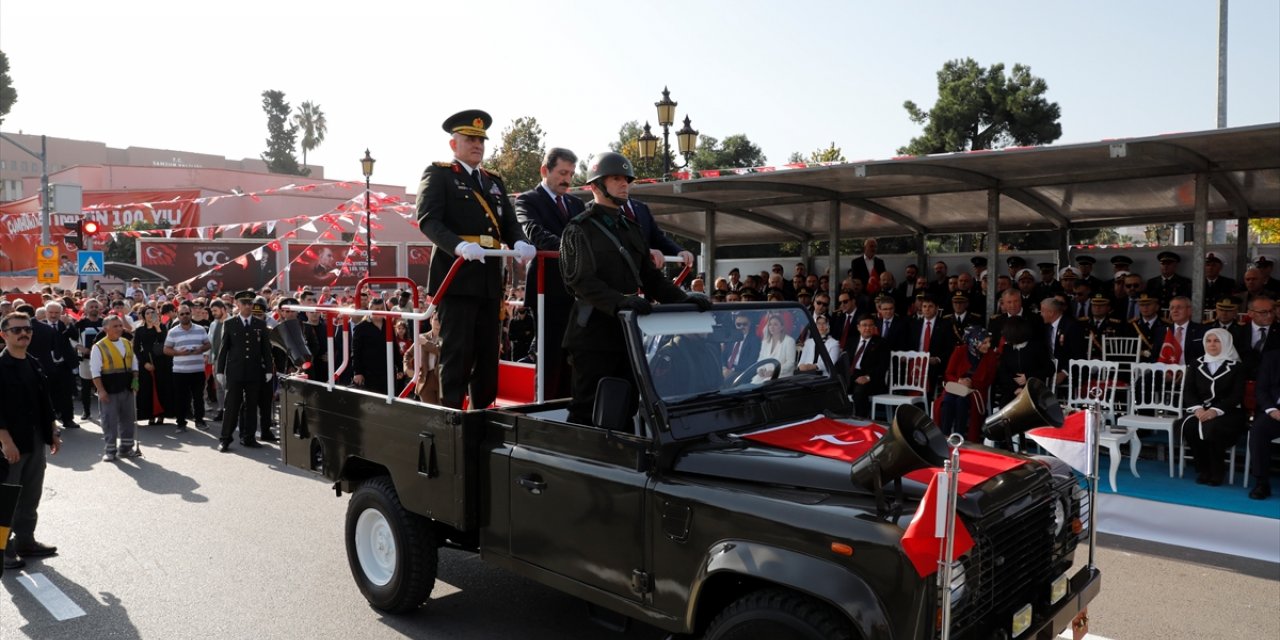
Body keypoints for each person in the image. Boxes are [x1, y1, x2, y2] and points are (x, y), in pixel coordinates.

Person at [559, 151, 705, 425]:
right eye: (616, 179)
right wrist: (620, 302)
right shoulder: (578, 229)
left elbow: (651, 279)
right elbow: (579, 280)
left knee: (624, 407)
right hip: (592, 335)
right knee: (587, 409)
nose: (624, 184)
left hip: (627, 332)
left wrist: (687, 301)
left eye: (626, 179)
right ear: (595, 186)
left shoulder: (631, 227)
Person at [415, 109, 536, 410]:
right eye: (470, 139)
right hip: (456, 279)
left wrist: (520, 240)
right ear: (453, 144)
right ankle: (452, 418)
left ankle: (483, 414)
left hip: (488, 282)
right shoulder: (439, 174)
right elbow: (428, 220)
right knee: (457, 355)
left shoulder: (493, 181)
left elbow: (508, 222)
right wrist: (457, 247)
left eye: (481, 139)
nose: (477, 145)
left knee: (487, 356)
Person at [515, 147, 584, 397]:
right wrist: (576, 250)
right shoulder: (527, 200)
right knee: (551, 356)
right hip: (549, 290)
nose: (567, 179)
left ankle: (569, 411)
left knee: (574, 357)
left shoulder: (576, 203)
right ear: (545, 170)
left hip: (578, 291)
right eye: (562, 172)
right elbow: (535, 234)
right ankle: (544, 412)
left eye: (571, 174)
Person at [0, 312, 62, 571]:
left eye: (27, 329)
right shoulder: (0, 367)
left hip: (35, 438)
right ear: (4, 335)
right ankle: (3, 550)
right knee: (6, 498)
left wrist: (52, 430)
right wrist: (5, 440)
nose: (24, 333)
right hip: (11, 441)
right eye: (16, 330)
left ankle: (26, 541)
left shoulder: (34, 362)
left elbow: (43, 402)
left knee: (30, 495)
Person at [1180, 328, 1246, 487]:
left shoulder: (1236, 367)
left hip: (1228, 412)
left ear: (1226, 342)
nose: (1212, 344)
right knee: (1190, 427)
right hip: (1201, 411)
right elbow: (1189, 391)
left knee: (1214, 427)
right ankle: (1203, 469)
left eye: (1217, 341)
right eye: (1209, 341)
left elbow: (1236, 396)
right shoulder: (1197, 363)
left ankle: (1217, 471)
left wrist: (1214, 411)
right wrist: (1198, 409)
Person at [215, 290, 272, 452]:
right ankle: (225, 439)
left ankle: (248, 437)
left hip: (254, 372)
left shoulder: (260, 324)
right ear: (237, 305)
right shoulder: (230, 323)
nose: (248, 306)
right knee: (232, 406)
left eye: (250, 303)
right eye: (244, 303)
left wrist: (269, 369)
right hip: (235, 372)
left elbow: (266, 350)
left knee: (251, 406)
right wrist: (220, 370)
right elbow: (223, 349)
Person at [91, 315, 140, 462]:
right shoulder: (99, 347)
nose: (119, 328)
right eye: (115, 326)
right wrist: (101, 390)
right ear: (106, 328)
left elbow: (134, 363)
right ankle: (110, 450)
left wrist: (136, 380)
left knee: (128, 419)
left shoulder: (126, 343)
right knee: (109, 420)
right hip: (109, 389)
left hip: (127, 387)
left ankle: (126, 448)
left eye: (120, 325)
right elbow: (95, 371)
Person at [938, 326, 998, 440]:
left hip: (976, 391)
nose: (989, 345)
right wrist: (959, 381)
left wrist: (971, 383)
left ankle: (959, 438)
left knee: (961, 401)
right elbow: (948, 373)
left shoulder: (991, 356)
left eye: (989, 342)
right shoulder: (960, 351)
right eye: (984, 342)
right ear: (974, 342)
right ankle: (944, 436)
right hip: (957, 387)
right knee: (947, 401)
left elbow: (989, 380)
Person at [164, 303, 211, 432]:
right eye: (182, 314)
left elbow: (208, 345)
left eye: (187, 313)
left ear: (191, 314)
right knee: (180, 398)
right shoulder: (173, 331)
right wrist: (179, 353)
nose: (185, 316)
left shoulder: (200, 329)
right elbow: (166, 349)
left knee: (198, 398)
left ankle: (200, 421)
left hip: (197, 370)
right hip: (180, 371)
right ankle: (180, 423)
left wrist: (200, 349)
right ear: (178, 316)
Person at [351, 297, 404, 395]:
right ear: (370, 309)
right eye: (376, 309)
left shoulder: (388, 325)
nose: (379, 312)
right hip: (370, 373)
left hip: (388, 371)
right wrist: (357, 372)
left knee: (390, 400)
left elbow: (394, 347)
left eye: (381, 309)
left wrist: (400, 367)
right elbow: (356, 352)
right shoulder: (360, 328)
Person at [1249, 348, 1280, 499]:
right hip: (1275, 411)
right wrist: (1272, 410)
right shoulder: (1271, 356)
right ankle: (1262, 482)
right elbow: (1261, 389)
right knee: (1259, 430)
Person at [134, 307, 173, 426]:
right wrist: (144, 363)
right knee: (147, 389)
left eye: (153, 312)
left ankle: (161, 415)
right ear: (143, 316)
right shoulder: (140, 330)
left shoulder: (162, 327)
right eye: (147, 313)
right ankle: (150, 415)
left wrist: (157, 327)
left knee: (162, 387)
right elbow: (136, 348)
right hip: (146, 361)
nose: (150, 315)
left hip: (161, 362)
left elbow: (165, 342)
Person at [847, 315, 890, 419]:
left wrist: (867, 377)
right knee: (834, 388)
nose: (868, 328)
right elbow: (845, 362)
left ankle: (860, 420)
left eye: (871, 325)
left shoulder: (881, 343)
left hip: (871, 379)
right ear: (858, 327)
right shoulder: (852, 341)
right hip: (852, 376)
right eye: (864, 325)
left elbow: (883, 366)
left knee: (859, 392)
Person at [74, 299, 105, 420]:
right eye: (91, 307)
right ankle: (86, 412)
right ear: (86, 309)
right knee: (86, 388)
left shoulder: (104, 322)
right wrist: (80, 347)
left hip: (103, 360)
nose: (94, 309)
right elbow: (71, 338)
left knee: (102, 387)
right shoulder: (80, 324)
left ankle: (103, 412)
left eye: (96, 306)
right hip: (86, 360)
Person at [752, 313, 798, 383]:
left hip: (782, 376)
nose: (772, 327)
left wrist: (774, 372)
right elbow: (760, 359)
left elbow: (790, 363)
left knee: (762, 385)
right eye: (770, 324)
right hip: (765, 375)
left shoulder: (789, 341)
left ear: (782, 327)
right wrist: (760, 369)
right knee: (752, 383)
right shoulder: (765, 342)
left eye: (775, 324)